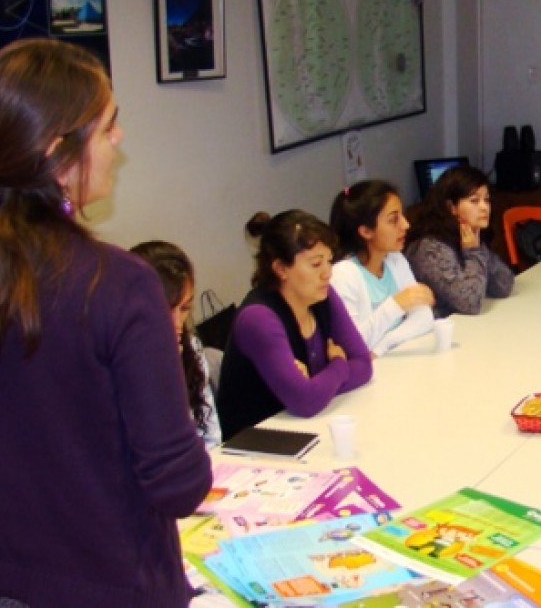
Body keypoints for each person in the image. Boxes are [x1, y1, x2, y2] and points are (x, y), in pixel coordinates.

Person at [0, 39, 212, 606]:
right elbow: (178, 483)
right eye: (108, 128)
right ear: (60, 154)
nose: (119, 140)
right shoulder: (118, 285)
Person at [216, 210, 372, 439]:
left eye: (329, 261)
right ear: (280, 269)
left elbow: (363, 364)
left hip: (306, 427)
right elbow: (306, 401)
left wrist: (318, 385)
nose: (327, 273)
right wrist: (338, 363)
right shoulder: (258, 318)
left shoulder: (323, 295)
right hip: (258, 443)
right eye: (316, 264)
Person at [130, 240, 222, 448]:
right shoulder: (119, 362)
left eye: (185, 308)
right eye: (165, 309)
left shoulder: (191, 348)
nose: (177, 323)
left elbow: (210, 436)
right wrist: (166, 372)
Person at [329, 180, 435, 356]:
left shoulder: (395, 260)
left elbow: (424, 317)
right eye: (393, 220)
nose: (406, 225)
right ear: (366, 231)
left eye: (402, 215)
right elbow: (352, 345)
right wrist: (396, 304)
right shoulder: (343, 275)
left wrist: (382, 346)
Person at [405, 166, 514, 317]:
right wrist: (473, 252)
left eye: (486, 200)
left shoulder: (468, 236)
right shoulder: (430, 248)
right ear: (452, 207)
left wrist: (479, 249)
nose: (484, 208)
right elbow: (470, 303)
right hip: (433, 330)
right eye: (474, 201)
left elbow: (504, 285)